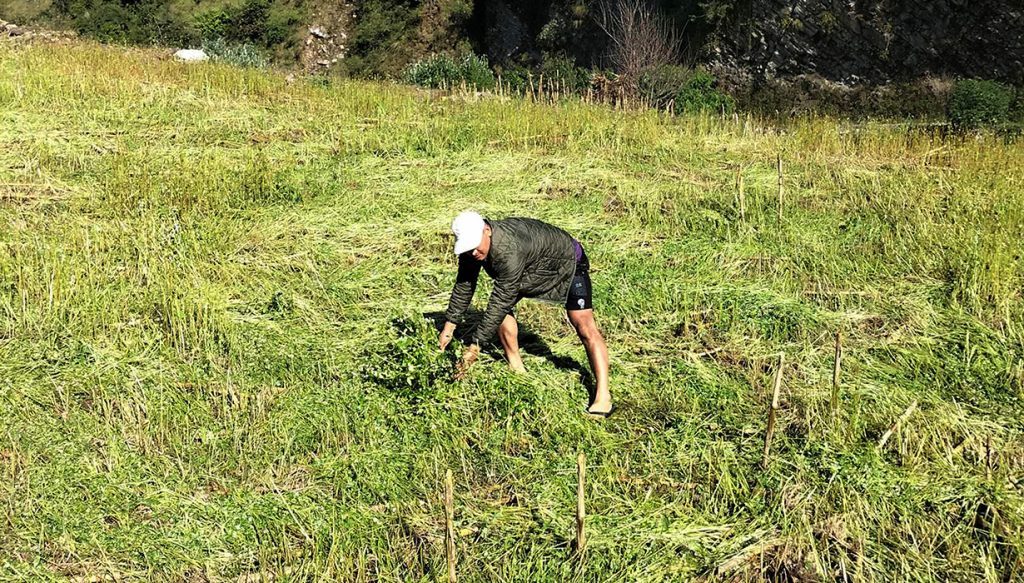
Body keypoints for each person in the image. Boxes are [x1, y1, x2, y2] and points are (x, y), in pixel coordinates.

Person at [438, 211, 613, 417]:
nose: (473, 253)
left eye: (475, 245)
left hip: (566, 261)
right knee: (501, 310)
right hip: (529, 267)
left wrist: (474, 347)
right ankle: (516, 366)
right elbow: (465, 285)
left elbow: (501, 299)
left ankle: (603, 395)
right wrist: (448, 328)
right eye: (467, 247)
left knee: (583, 325)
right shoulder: (473, 250)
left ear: (487, 230)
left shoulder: (509, 250)